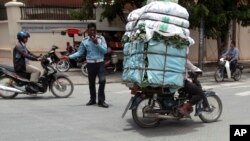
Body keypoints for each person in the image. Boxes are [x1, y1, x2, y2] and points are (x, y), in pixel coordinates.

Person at [62, 23, 109, 108]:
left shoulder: (101, 39)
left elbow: (105, 51)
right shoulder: (84, 41)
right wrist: (69, 57)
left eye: (94, 30)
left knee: (102, 81)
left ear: (96, 31)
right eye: (91, 30)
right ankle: (92, 99)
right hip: (90, 64)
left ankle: (101, 101)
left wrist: (97, 44)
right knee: (91, 83)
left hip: (100, 63)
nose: (92, 32)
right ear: (88, 31)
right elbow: (79, 53)